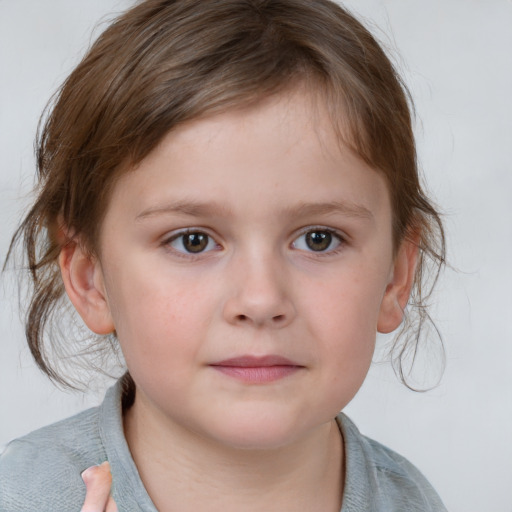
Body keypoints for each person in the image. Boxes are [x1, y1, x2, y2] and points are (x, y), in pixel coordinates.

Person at [0, 0, 448, 510]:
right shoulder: (20, 496)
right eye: (193, 240)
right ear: (90, 278)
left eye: (319, 238)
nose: (260, 300)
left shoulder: (411, 500)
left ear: (396, 276)